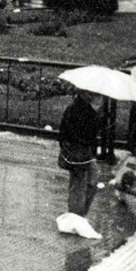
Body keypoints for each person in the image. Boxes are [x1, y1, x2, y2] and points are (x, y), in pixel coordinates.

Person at [58, 89, 104, 237]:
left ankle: (78, 216)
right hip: (79, 153)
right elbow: (80, 133)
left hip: (85, 153)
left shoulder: (85, 109)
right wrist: (95, 114)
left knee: (91, 182)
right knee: (79, 184)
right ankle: (76, 217)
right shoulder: (78, 110)